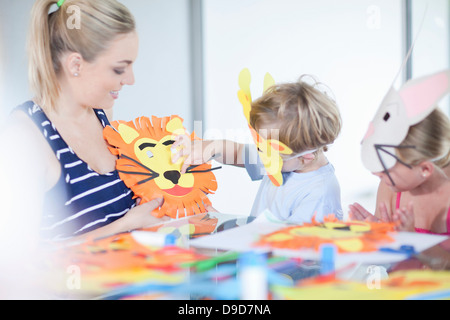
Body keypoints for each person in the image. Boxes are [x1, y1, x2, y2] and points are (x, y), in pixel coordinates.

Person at [1, 0, 167, 243]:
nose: (130, 79)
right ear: (76, 65)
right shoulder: (24, 138)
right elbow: (18, 262)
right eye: (120, 69)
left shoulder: (103, 115)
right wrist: (126, 225)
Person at [173, 76, 343, 224]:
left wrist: (230, 234)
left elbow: (290, 252)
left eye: (266, 150)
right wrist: (212, 147)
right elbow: (238, 153)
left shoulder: (319, 194)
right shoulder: (283, 159)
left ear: (305, 156)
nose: (260, 153)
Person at [349, 108, 450, 235]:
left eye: (387, 166)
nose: (376, 173)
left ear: (425, 169)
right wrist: (380, 233)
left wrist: (411, 238)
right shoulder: (388, 188)